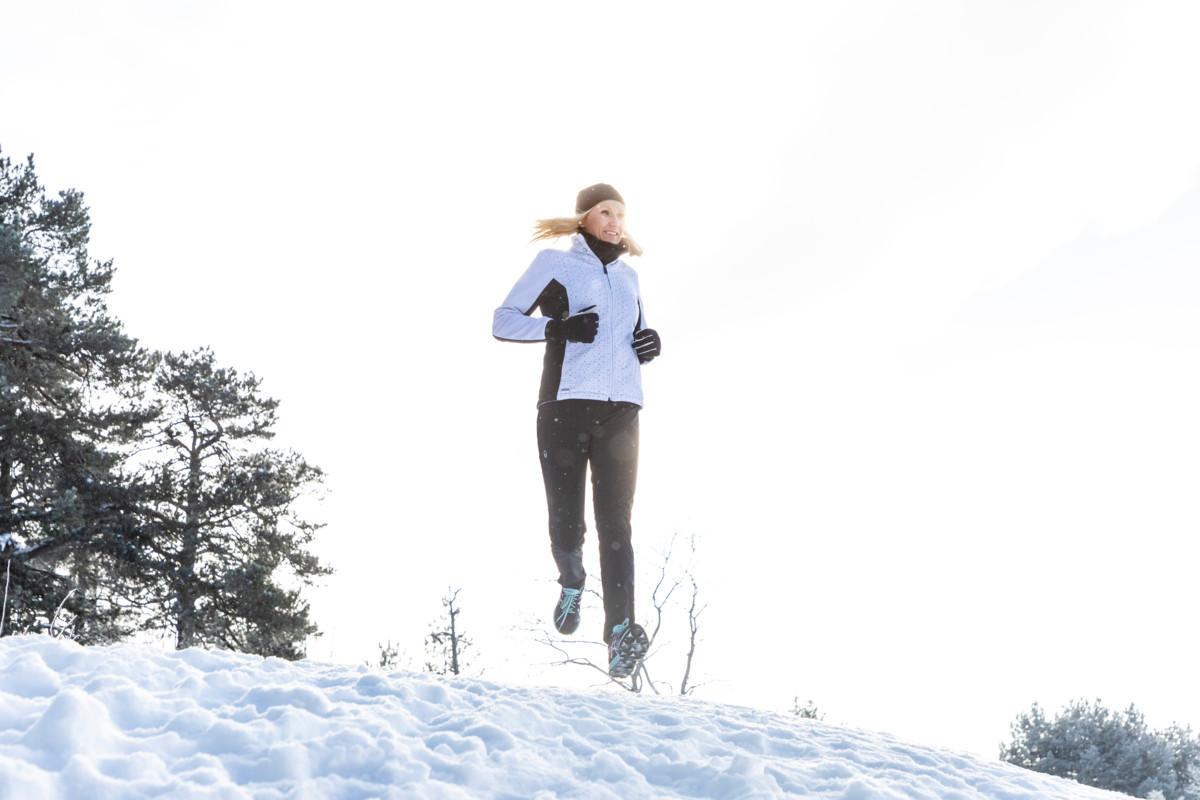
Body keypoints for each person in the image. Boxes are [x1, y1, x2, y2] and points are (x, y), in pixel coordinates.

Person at [492, 183, 662, 679]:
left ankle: (619, 633)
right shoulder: (555, 264)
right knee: (568, 518)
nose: (615, 221)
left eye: (621, 214)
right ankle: (571, 576)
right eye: (605, 211)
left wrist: (648, 343)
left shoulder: (629, 276)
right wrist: (556, 329)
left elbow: (635, 333)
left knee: (618, 526)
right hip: (565, 407)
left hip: (622, 411)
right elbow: (502, 321)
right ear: (584, 217)